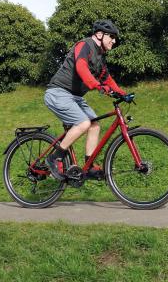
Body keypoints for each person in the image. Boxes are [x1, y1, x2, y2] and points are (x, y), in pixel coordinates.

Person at [44, 20, 126, 181]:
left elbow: (107, 79)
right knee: (84, 123)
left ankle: (88, 166)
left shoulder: (100, 57)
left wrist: (123, 93)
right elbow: (81, 67)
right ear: (100, 34)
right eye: (112, 37)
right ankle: (54, 158)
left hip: (75, 97)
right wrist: (96, 85)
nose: (114, 41)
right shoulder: (85, 45)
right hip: (58, 92)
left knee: (94, 125)